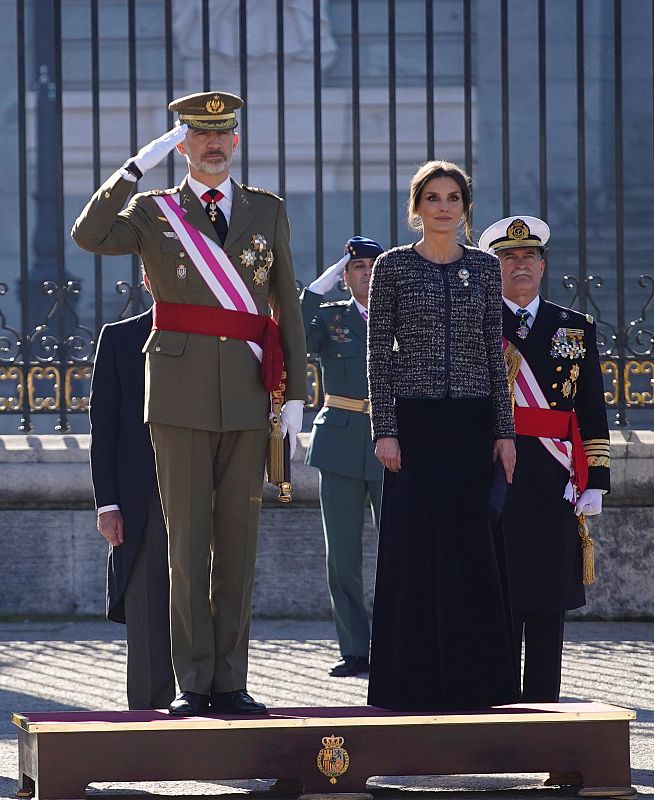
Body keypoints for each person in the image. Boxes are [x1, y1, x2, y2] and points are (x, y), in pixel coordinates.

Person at [72, 91, 307, 717]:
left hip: (250, 392)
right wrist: (133, 169)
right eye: (197, 135)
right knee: (186, 543)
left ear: (235, 140)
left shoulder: (266, 210)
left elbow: (285, 300)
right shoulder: (154, 212)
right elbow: (88, 234)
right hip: (176, 395)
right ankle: (192, 681)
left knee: (238, 544)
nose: (211, 144)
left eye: (221, 133)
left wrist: (296, 397)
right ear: (182, 144)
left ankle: (231, 679)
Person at [366, 159, 519, 711]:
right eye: (433, 197)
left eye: (453, 197)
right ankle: (409, 685)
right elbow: (377, 353)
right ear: (416, 208)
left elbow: (492, 350)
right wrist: (386, 429)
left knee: (471, 550)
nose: (444, 207)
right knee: (412, 551)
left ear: (465, 208)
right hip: (415, 423)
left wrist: (504, 433)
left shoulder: (483, 268)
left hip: (472, 422)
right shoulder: (393, 268)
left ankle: (477, 685)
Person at [478, 215, 610, 702]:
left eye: (528, 257)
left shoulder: (575, 327)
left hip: (555, 479)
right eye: (508, 258)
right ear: (495, 268)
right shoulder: (479, 324)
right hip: (494, 474)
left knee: (547, 600)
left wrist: (594, 479)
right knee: (499, 595)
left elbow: (592, 411)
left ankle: (544, 708)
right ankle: (499, 706)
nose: (519, 266)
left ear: (543, 265)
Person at [301, 236, 385, 678]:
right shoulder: (331, 317)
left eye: (373, 266)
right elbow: (293, 332)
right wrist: (321, 284)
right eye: (356, 268)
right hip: (339, 446)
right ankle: (355, 649)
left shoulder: (402, 317)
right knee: (343, 558)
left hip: (393, 446)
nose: (365, 274)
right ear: (345, 276)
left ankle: (396, 640)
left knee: (398, 551)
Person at [90, 307, 175, 711]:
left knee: (207, 607)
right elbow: (103, 429)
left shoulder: (215, 331)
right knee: (145, 607)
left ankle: (209, 706)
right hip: (143, 498)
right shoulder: (120, 337)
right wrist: (108, 504)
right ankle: (149, 714)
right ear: (146, 276)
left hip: (203, 491)